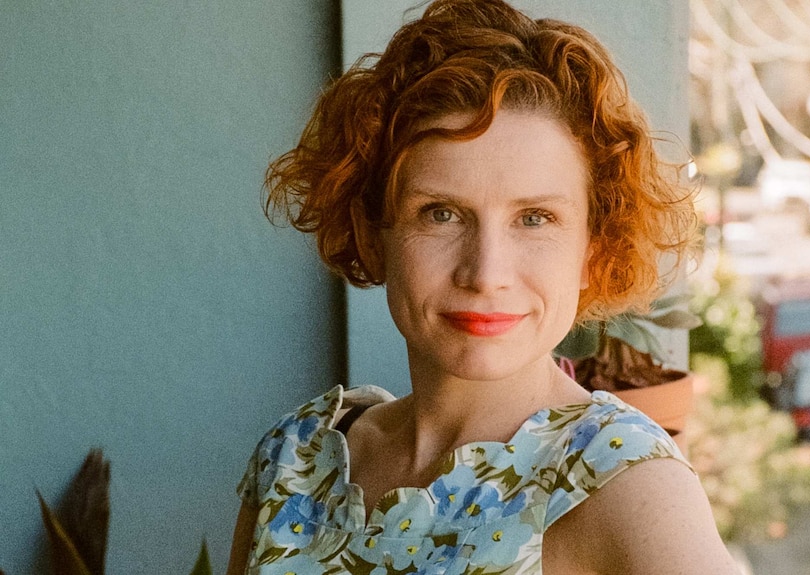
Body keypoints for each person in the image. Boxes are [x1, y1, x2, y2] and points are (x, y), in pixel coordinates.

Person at [228, 1, 738, 573]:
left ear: (593, 253)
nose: (486, 272)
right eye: (441, 213)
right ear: (373, 236)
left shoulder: (623, 485)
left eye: (535, 218)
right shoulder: (294, 460)